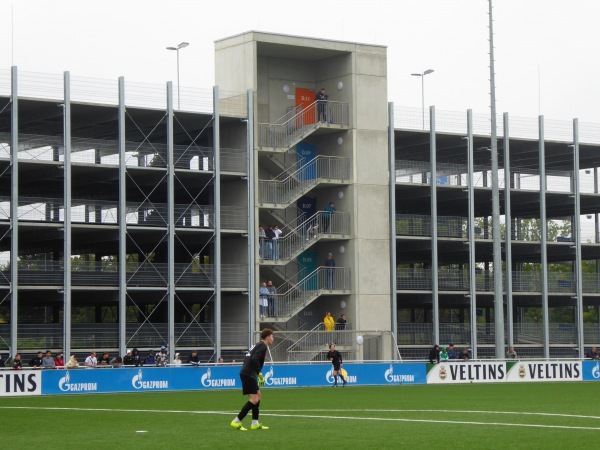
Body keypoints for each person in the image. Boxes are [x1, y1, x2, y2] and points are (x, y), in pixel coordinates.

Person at [230, 328, 275, 431]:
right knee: (254, 399)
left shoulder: (258, 344)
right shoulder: (263, 346)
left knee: (258, 396)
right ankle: (236, 421)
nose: (273, 338)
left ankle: (255, 423)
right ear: (267, 337)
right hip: (248, 374)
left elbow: (247, 357)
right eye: (272, 336)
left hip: (248, 373)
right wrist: (259, 373)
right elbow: (254, 358)